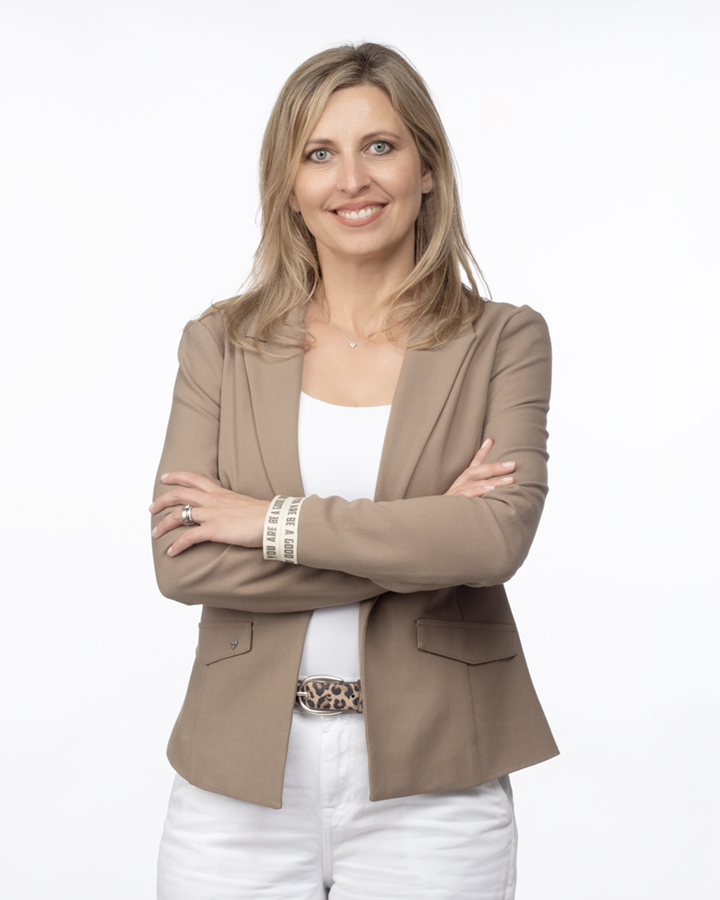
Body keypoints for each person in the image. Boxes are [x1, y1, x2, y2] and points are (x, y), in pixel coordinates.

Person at [150, 41, 557, 900]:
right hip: (237, 783)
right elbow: (182, 559)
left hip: (436, 781)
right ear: (290, 188)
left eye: (380, 146)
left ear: (427, 169)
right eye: (319, 154)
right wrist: (418, 540)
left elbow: (492, 541)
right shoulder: (219, 345)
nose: (352, 180)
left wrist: (267, 521)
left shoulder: (504, 341)